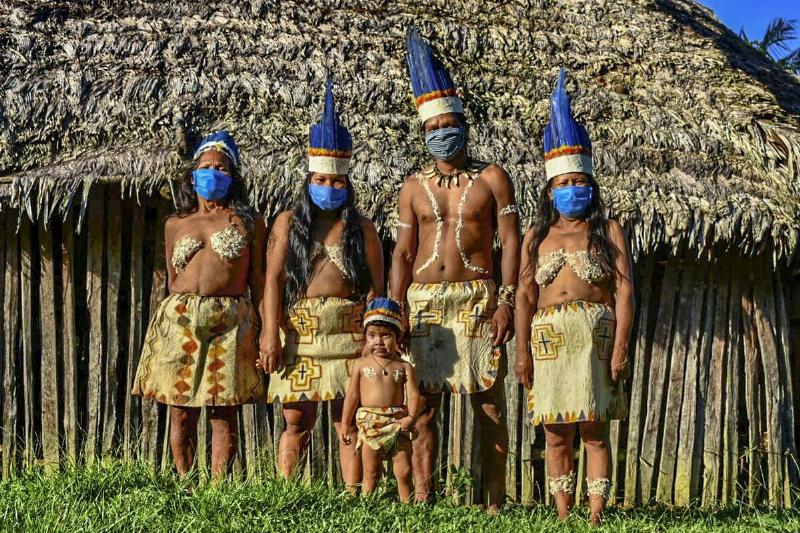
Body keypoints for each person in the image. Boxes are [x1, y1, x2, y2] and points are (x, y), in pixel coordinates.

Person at [389, 28, 520, 511]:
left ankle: (494, 504)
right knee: (422, 409)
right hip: (424, 305)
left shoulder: (493, 179)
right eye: (432, 127)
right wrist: (394, 308)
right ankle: (424, 498)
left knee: (488, 406)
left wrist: (504, 303)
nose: (442, 132)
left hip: (477, 300)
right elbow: (403, 254)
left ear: (464, 123)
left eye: (449, 122)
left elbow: (510, 243)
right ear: (423, 132)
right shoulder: (411, 186)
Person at [514, 69, 634, 525]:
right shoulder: (536, 236)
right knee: (555, 431)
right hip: (548, 343)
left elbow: (624, 290)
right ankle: (564, 515)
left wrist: (620, 346)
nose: (571, 190)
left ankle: (597, 514)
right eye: (562, 184)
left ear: (591, 184)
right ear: (550, 189)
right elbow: (526, 297)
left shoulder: (609, 230)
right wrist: (522, 351)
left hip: (594, 340)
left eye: (577, 182)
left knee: (594, 431)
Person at [260, 79, 384, 490]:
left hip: (348, 332)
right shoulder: (286, 224)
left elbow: (376, 288)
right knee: (297, 417)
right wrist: (269, 333)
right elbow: (273, 281)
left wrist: (373, 336)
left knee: (346, 418)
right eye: (321, 181)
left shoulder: (362, 229)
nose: (329, 188)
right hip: (300, 333)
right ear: (308, 180)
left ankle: (353, 498)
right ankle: (287, 492)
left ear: (347, 184)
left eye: (337, 182)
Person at [132, 130, 267, 479]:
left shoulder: (248, 222)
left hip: (231, 320)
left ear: (233, 176)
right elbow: (173, 278)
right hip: (180, 319)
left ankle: (218, 490)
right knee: (181, 409)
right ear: (192, 176)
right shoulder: (176, 224)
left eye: (221, 168)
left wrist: (267, 331)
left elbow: (259, 281)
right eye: (206, 167)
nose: (213, 173)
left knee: (224, 410)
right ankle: (186, 484)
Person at [340, 298, 421, 502]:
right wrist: (345, 423)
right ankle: (367, 508)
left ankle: (408, 509)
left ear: (398, 337)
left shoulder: (403, 367)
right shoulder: (361, 364)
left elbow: (412, 394)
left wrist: (411, 417)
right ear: (365, 337)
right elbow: (352, 395)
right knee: (372, 472)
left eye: (386, 335)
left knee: (404, 471)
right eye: (372, 335)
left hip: (397, 421)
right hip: (370, 423)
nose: (379, 341)